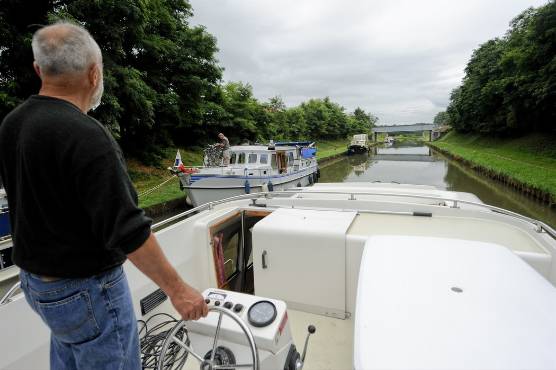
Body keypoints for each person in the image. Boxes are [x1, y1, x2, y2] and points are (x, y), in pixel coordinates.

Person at [0, 22, 207, 369]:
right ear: (95, 74)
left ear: (39, 70)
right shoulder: (87, 136)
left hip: (37, 286)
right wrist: (179, 290)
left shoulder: (12, 124)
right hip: (87, 291)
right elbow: (128, 230)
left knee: (68, 352)